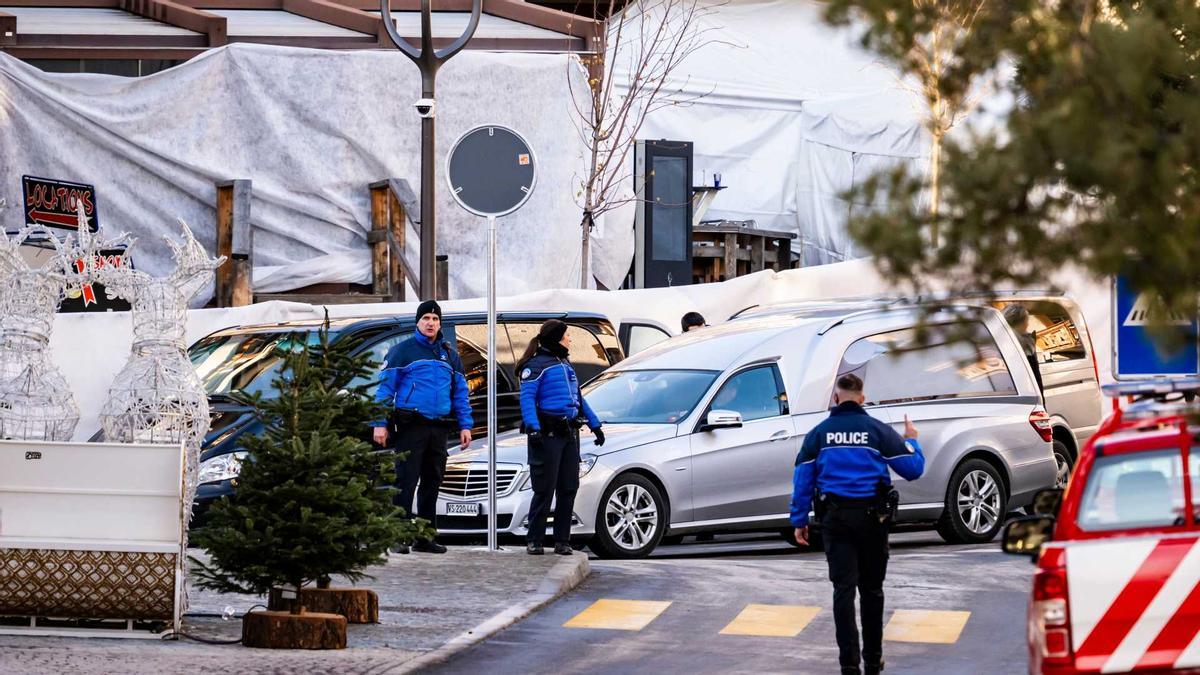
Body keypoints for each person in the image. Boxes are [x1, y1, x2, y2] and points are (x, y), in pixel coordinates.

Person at [790, 374, 925, 675]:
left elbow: (802, 479)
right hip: (872, 521)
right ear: (862, 399)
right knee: (872, 590)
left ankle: (849, 666)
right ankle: (874, 662)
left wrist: (799, 520)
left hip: (835, 520)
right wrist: (912, 439)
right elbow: (913, 469)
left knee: (843, 590)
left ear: (835, 399)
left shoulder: (819, 434)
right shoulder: (878, 432)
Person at [372, 300, 473, 554]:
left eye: (435, 319)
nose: (431, 323)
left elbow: (460, 392)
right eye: (426, 318)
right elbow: (385, 390)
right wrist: (380, 423)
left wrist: (465, 425)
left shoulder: (450, 354)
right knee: (405, 480)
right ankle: (399, 535)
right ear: (417, 322)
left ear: (440, 323)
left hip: (439, 427)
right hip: (411, 426)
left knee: (432, 481)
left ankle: (425, 537)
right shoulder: (402, 351)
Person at [518, 320, 605, 556]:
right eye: (567, 335)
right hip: (547, 435)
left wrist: (595, 425)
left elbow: (579, 398)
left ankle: (562, 541)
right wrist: (533, 428)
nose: (570, 339)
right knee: (544, 489)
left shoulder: (565, 363)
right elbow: (526, 399)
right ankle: (534, 539)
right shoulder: (536, 366)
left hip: (569, 435)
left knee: (568, 488)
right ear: (557, 338)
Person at [1003, 303, 1044, 394]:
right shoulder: (1025, 343)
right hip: (1028, 393)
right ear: (1022, 323)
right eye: (1026, 321)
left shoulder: (999, 341)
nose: (1028, 324)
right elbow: (1034, 376)